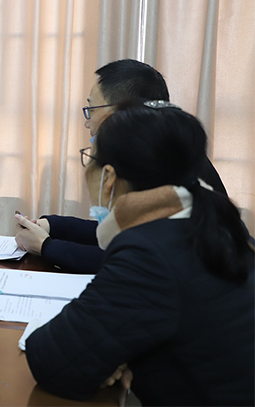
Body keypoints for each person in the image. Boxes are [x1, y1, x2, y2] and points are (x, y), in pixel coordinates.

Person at [23, 101, 254, 405]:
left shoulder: (147, 255)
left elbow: (50, 358)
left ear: (109, 177)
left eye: (90, 157)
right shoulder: (216, 223)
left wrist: (117, 359)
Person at [15, 59, 227, 273]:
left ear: (119, 112)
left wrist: (46, 246)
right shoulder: (163, 151)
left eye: (92, 109)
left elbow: (129, 259)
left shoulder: (159, 166)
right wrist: (52, 226)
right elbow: (119, 231)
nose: (87, 123)